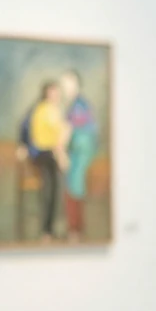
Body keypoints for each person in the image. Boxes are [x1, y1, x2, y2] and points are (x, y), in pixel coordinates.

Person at [22, 81, 71, 242]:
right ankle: (46, 230)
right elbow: (39, 135)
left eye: (56, 92)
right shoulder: (41, 110)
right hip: (45, 154)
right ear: (46, 93)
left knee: (57, 192)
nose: (55, 95)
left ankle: (52, 228)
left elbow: (61, 132)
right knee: (47, 192)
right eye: (52, 92)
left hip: (55, 154)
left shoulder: (56, 110)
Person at [61, 69, 98, 242]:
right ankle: (75, 229)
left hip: (81, 153)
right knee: (74, 189)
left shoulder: (79, 105)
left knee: (75, 190)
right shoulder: (76, 105)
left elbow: (69, 130)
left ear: (77, 85)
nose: (66, 88)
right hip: (78, 152)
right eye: (65, 85)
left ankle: (75, 230)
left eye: (69, 84)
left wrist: (61, 151)